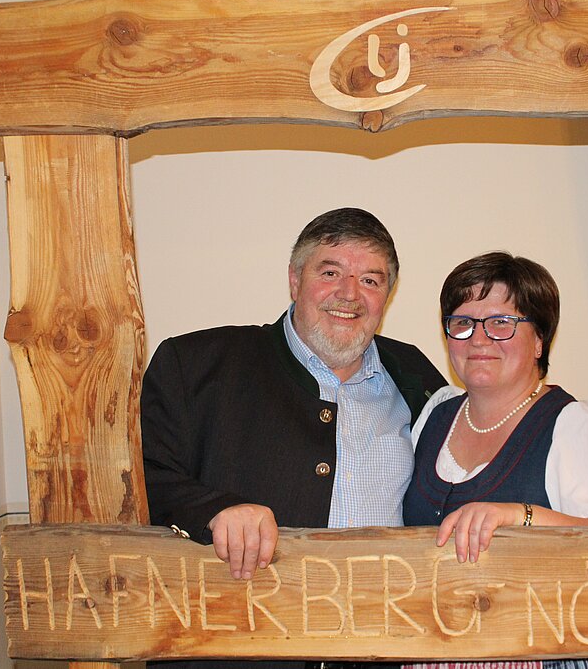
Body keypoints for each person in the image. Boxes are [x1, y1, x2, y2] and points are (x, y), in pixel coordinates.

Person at [142, 207, 448, 669]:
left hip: (384, 647)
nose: (350, 294)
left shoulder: (415, 375)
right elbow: (141, 476)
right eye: (330, 273)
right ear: (294, 280)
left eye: (371, 280)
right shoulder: (196, 365)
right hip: (230, 647)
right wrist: (214, 509)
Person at [403, 252, 588, 669]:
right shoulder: (436, 414)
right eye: (463, 322)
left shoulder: (578, 425)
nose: (479, 339)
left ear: (539, 340)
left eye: (501, 322)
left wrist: (521, 516)